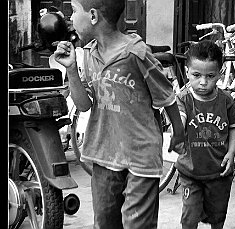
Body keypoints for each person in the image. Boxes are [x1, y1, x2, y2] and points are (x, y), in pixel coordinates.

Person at [53, 0, 185, 228]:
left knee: (137, 224)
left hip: (141, 157)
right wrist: (71, 69)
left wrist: (178, 132)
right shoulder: (88, 54)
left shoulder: (137, 53)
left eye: (74, 11)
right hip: (104, 154)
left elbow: (167, 96)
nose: (70, 18)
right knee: (105, 222)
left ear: (93, 16)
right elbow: (84, 105)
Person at [175, 40, 235, 229]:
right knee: (190, 216)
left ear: (219, 74)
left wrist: (231, 152)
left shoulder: (226, 100)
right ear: (187, 71)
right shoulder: (183, 99)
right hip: (190, 172)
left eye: (210, 76)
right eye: (196, 75)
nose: (203, 82)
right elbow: (179, 118)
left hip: (220, 172)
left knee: (217, 216)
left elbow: (234, 126)